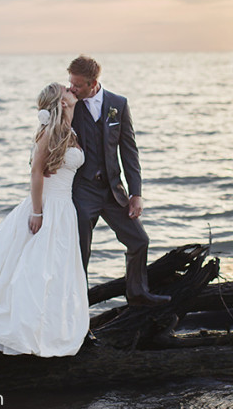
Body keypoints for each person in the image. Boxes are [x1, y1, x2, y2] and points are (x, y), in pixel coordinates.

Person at [0, 83, 89, 361]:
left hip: (65, 210)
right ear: (61, 102)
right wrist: (37, 211)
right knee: (34, 271)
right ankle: (17, 329)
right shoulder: (48, 133)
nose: (72, 90)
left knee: (57, 271)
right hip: (47, 206)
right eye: (66, 90)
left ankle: (49, 328)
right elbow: (36, 173)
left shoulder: (70, 131)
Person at [67, 55, 170, 307]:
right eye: (70, 82)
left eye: (77, 85)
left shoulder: (118, 104)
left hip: (114, 191)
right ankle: (77, 310)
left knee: (139, 240)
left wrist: (136, 193)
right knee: (80, 253)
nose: (72, 88)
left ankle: (137, 293)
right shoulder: (68, 104)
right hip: (82, 191)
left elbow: (129, 150)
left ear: (93, 83)